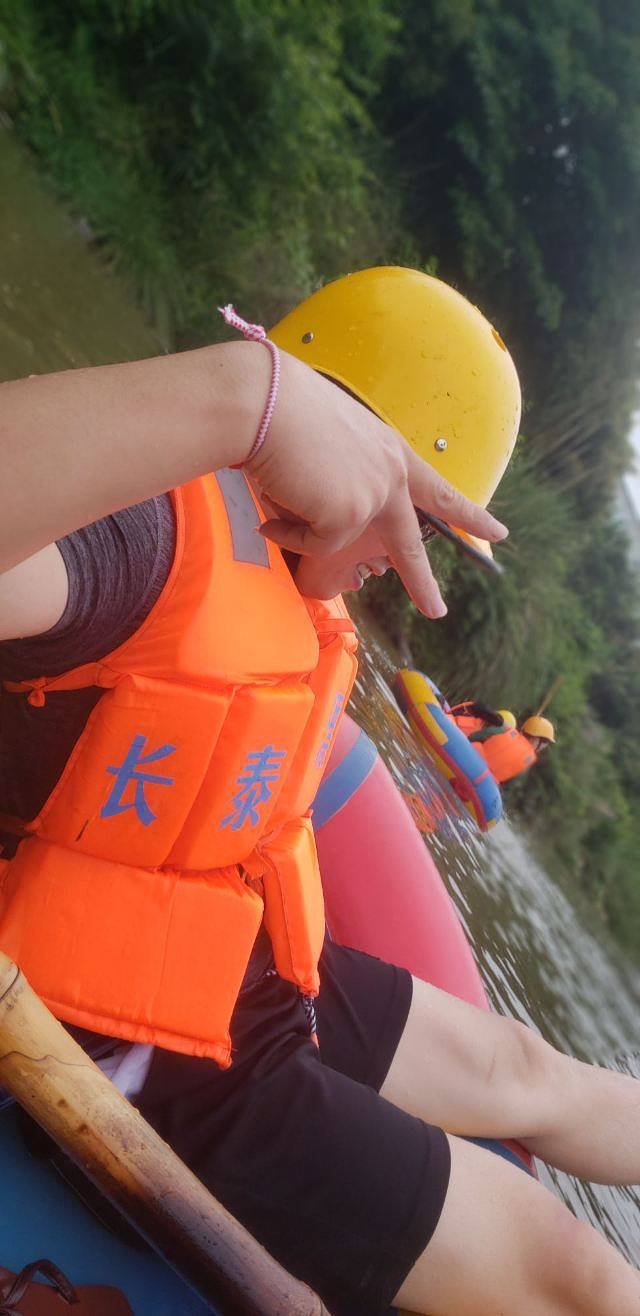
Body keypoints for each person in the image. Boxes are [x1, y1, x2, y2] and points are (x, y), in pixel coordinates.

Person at [0, 268, 638, 1316]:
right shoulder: (139, 538)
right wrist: (240, 400)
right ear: (341, 448)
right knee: (581, 1282)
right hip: (140, 1057)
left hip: (229, 980)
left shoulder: (289, 591)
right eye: (417, 520)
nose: (404, 556)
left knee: (525, 1063)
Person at [452, 700, 556, 784]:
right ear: (535, 738)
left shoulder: (506, 731)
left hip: (470, 769)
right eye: (545, 742)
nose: (544, 747)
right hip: (469, 767)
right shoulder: (525, 758)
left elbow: (474, 737)